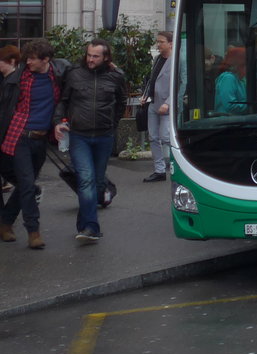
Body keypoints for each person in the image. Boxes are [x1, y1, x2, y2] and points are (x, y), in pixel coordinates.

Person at [55, 39, 126, 243]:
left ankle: (84, 224)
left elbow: (121, 102)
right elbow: (63, 100)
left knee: (96, 181)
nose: (91, 59)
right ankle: (90, 227)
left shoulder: (116, 77)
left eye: (96, 56)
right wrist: (59, 121)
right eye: (89, 55)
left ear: (106, 57)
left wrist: (112, 123)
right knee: (85, 179)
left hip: (104, 136)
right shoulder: (75, 74)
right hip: (80, 136)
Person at [0, 39, 67, 250]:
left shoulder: (58, 73)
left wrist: (110, 68)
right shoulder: (19, 77)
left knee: (24, 185)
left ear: (46, 60)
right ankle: (33, 231)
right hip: (19, 136)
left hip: (41, 139)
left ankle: (5, 222)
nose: (27, 62)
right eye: (26, 58)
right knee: (28, 184)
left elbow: (82, 71)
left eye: (31, 59)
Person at [140, 31, 172, 182]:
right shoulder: (157, 59)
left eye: (161, 42)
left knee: (166, 136)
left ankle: (178, 166)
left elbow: (181, 84)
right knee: (153, 137)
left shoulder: (176, 61)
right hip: (153, 102)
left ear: (170, 44)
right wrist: (145, 95)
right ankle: (159, 170)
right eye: (157, 42)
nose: (158, 45)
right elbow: (152, 79)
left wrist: (168, 103)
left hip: (166, 104)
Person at [0, 45, 20, 198]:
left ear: (12, 61)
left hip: (7, 133)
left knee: (8, 168)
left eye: (1, 61)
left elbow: (7, 112)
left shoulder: (13, 82)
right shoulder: (6, 80)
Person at [214, 46, 248, 115]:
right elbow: (230, 106)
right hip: (227, 122)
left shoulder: (241, 79)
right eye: (244, 64)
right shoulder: (228, 78)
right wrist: (251, 105)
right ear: (238, 65)